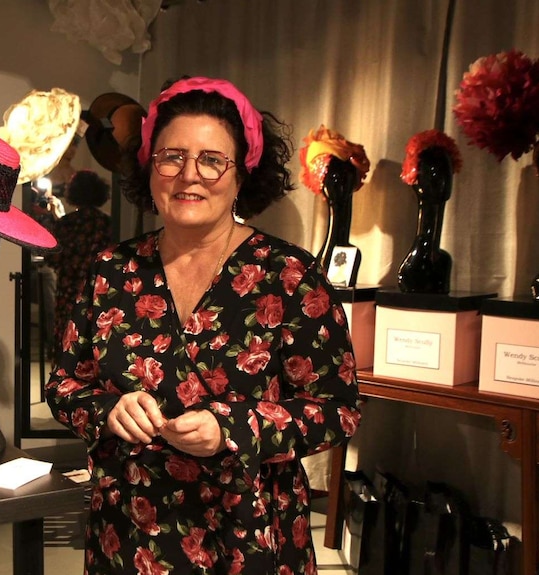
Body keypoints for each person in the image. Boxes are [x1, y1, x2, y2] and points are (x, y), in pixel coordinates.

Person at [45, 76, 362, 574]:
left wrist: (234, 427)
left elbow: (337, 410)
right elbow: (64, 386)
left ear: (242, 175)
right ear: (150, 168)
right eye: (171, 156)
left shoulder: (290, 276)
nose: (189, 175)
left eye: (212, 159)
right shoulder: (112, 271)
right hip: (127, 538)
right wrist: (108, 408)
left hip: (246, 539)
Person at [46, 170, 113, 362]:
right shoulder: (107, 223)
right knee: (95, 338)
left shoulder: (66, 224)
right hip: (98, 290)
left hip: (68, 289)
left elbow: (52, 258)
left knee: (67, 337)